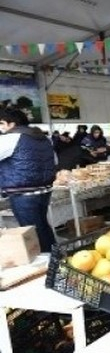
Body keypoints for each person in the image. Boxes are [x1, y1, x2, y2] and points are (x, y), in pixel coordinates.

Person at [0, 107, 56, 252]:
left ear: (11, 124)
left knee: (32, 231)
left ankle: (49, 264)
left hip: (23, 193)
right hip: (44, 190)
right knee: (42, 225)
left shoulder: (10, 137)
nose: (1, 129)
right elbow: (55, 160)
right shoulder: (43, 138)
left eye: (1, 124)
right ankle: (56, 257)